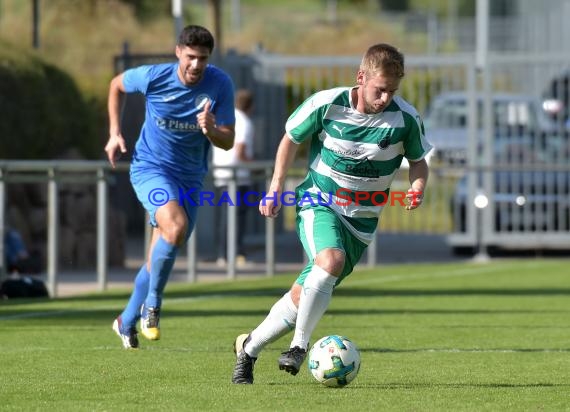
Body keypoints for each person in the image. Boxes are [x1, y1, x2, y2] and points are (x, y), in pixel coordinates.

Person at [231, 43, 432, 384]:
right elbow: (290, 138)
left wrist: (417, 187)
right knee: (331, 260)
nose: (385, 98)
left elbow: (418, 163)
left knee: (302, 295)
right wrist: (276, 187)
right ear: (361, 77)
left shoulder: (405, 118)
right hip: (318, 201)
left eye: (391, 91)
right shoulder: (327, 104)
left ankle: (248, 350)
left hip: (361, 221)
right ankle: (299, 347)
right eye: (379, 90)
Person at [105, 25, 235, 349]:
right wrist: (114, 131)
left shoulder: (220, 84)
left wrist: (211, 130)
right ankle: (153, 306)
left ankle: (125, 320)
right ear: (178, 52)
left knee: (160, 255)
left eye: (202, 59)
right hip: (150, 169)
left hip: (190, 178)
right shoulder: (153, 76)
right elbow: (116, 85)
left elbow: (228, 141)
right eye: (190, 57)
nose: (195, 65)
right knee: (175, 227)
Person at [212, 89, 255, 267]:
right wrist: (252, 164)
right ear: (250, 106)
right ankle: (235, 254)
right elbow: (240, 150)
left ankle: (224, 255)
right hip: (238, 176)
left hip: (221, 175)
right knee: (236, 217)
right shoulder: (244, 121)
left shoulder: (225, 117)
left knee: (227, 216)